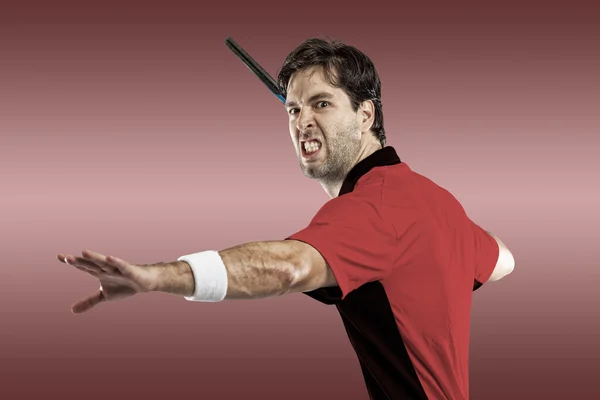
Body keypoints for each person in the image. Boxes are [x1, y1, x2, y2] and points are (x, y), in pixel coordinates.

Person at [57, 37, 515, 400]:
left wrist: (155, 277)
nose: (301, 121)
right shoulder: (431, 200)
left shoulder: (376, 209)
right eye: (293, 108)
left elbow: (287, 266)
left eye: (321, 103)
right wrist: (454, 235)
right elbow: (502, 260)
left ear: (365, 114)